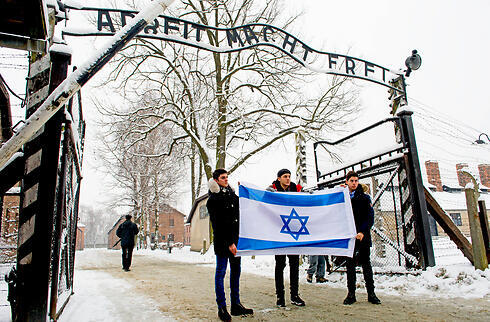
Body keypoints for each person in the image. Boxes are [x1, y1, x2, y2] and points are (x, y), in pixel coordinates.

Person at [206, 169, 253, 321]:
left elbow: (244, 206)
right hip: (223, 243)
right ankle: (222, 308)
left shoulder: (232, 195)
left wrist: (245, 190)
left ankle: (236, 305)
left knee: (236, 272)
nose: (226, 180)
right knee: (221, 273)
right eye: (223, 178)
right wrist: (229, 243)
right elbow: (218, 225)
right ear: (216, 180)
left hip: (235, 241)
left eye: (227, 177)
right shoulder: (213, 200)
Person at [267, 168, 306, 307]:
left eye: (289, 176)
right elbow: (261, 201)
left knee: (294, 265)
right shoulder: (272, 190)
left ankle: (295, 295)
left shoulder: (297, 189)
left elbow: (311, 197)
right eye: (285, 176)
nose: (288, 178)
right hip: (279, 234)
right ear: (279, 178)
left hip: (294, 232)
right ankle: (280, 296)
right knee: (280, 265)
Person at [343, 171, 381, 305]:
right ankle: (351, 294)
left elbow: (369, 217)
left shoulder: (365, 198)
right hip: (349, 237)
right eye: (351, 181)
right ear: (346, 181)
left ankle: (371, 293)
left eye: (356, 181)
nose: (354, 183)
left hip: (362, 236)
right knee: (350, 266)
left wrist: (362, 231)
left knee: (366, 264)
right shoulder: (343, 197)